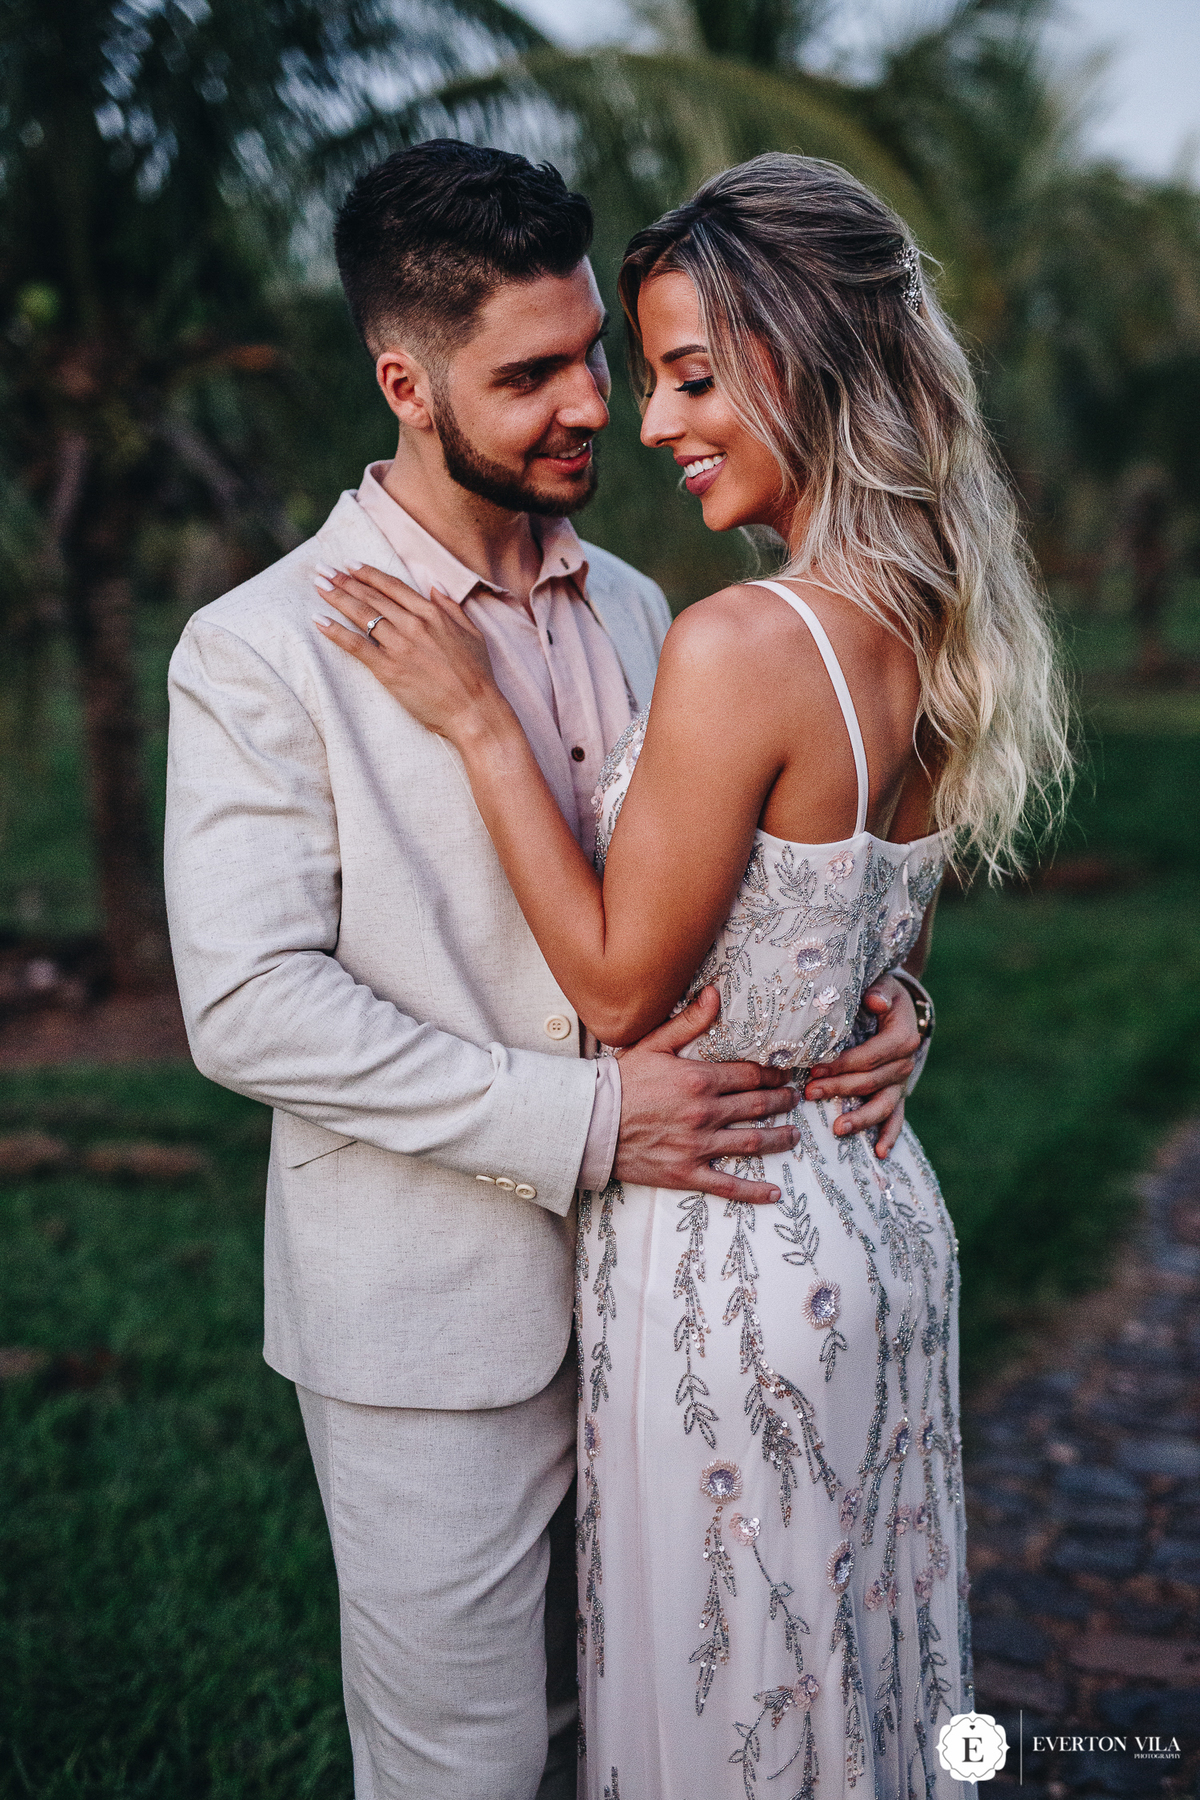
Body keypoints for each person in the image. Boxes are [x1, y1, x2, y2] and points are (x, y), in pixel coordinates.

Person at [163, 140, 924, 1800]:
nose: (593, 403)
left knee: (648, 1733)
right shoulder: (261, 646)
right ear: (406, 383)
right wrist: (586, 1126)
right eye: (530, 376)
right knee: (467, 1765)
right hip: (437, 1329)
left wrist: (884, 1005)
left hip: (688, 1299)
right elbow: (248, 1006)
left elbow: (750, 893)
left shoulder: (660, 609)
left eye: (595, 350)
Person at [313, 152, 1071, 1799]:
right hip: (878, 1212)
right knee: (855, 1672)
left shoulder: (738, 641)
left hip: (735, 1259)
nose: (650, 422)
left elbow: (615, 988)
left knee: (737, 1707)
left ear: (803, 357)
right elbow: (871, 940)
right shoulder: (927, 618)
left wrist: (477, 726)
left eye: (688, 375)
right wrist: (903, 1019)